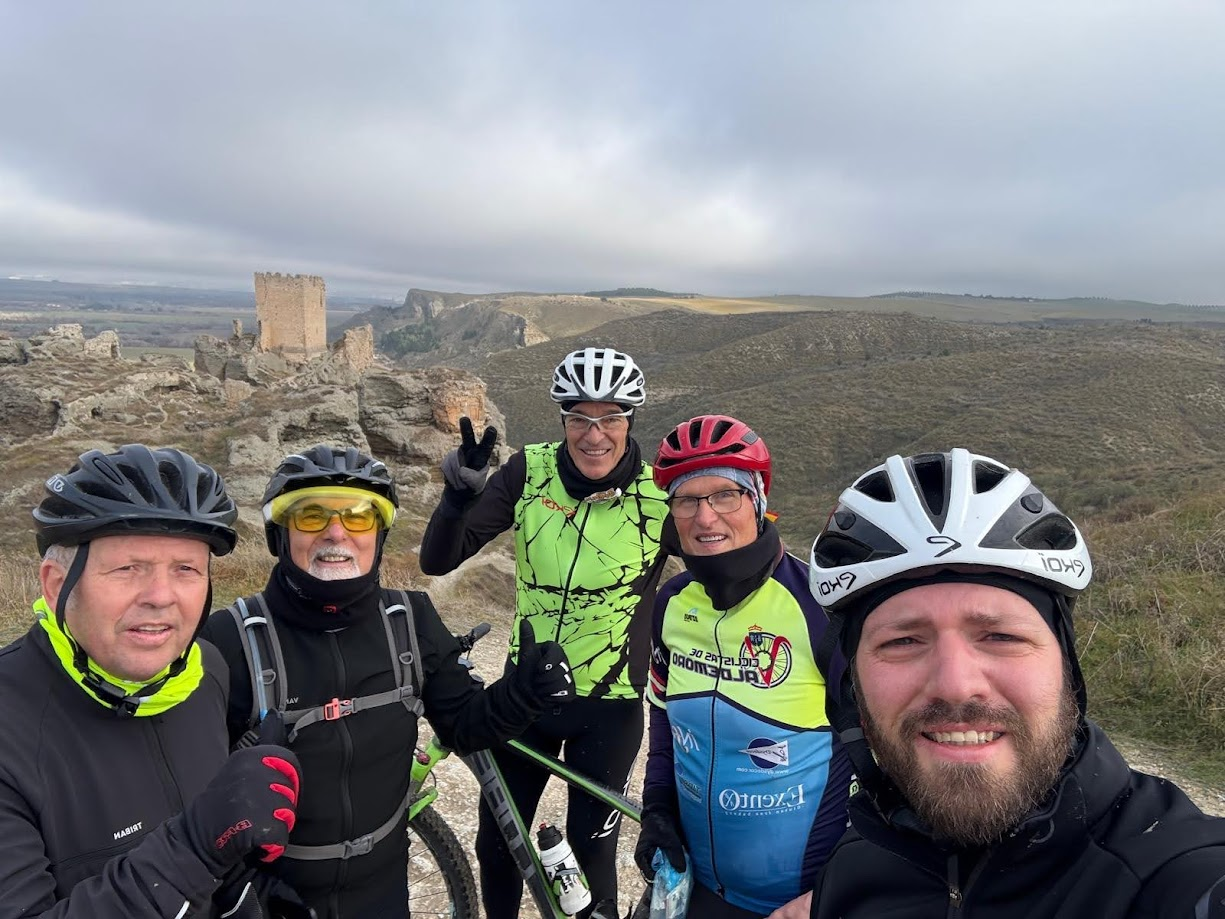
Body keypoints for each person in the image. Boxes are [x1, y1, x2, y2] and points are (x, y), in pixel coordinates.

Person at [804, 448, 1225, 918]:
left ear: (1066, 664)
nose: (956, 685)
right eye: (902, 641)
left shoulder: (1177, 874)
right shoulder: (854, 865)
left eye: (1001, 636)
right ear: (853, 683)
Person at [201, 444, 574, 919]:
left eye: (359, 516)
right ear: (280, 534)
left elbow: (463, 726)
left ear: (378, 534)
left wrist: (522, 695)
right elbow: (181, 796)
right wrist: (238, 887)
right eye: (312, 515)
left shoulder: (411, 620)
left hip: (384, 896)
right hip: (264, 902)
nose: (336, 532)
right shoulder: (228, 639)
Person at [419, 346, 677, 919]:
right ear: (563, 419)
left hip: (609, 705)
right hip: (522, 697)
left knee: (592, 853)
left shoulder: (658, 495)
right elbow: (438, 561)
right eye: (579, 417)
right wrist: (456, 501)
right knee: (497, 847)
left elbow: (721, 567)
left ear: (630, 420)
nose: (594, 434)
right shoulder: (528, 472)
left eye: (610, 418)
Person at [0, 444, 301, 919]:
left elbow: (209, 835)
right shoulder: (8, 724)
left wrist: (248, 888)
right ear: (57, 585)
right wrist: (194, 848)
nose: (161, 597)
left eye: (186, 569)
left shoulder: (204, 671)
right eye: (128, 568)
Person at [635, 415, 854, 919]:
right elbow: (663, 718)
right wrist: (658, 808)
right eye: (686, 500)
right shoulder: (671, 604)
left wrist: (847, 884)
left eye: (725, 495)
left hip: (801, 901)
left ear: (757, 500)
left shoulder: (819, 608)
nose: (704, 517)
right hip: (697, 888)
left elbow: (891, 760)